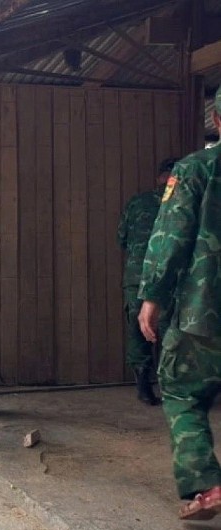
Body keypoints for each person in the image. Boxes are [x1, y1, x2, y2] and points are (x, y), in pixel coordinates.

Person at [138, 88, 221, 522]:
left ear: (217, 122)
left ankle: (205, 486)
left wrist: (151, 297)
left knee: (181, 390)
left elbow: (170, 240)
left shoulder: (195, 169)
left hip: (203, 310)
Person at [118, 158, 178, 406]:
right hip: (168, 278)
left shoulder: (136, 202)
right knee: (170, 332)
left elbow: (122, 237)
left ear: (159, 177)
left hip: (136, 278)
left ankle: (143, 387)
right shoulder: (182, 203)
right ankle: (172, 389)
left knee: (137, 331)